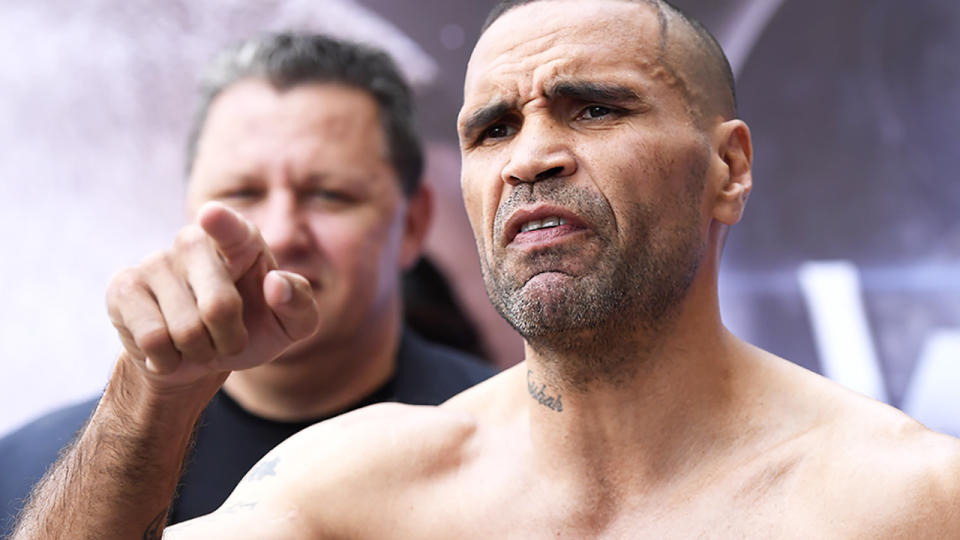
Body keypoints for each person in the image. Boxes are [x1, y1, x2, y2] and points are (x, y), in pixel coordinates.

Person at [13, 1, 960, 538]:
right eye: (492, 128)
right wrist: (152, 396)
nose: (529, 157)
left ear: (728, 167)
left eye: (594, 109)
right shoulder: (359, 491)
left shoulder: (908, 499)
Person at [1, 32, 495, 536]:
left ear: (412, 226)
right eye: (242, 192)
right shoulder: (23, 474)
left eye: (329, 195)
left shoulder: (515, 442)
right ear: (189, 213)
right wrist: (148, 399)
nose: (281, 232)